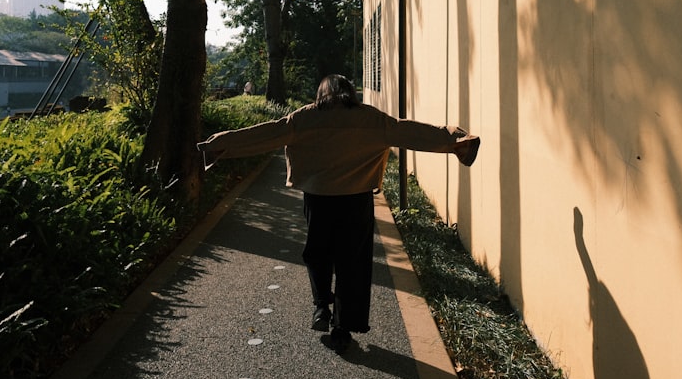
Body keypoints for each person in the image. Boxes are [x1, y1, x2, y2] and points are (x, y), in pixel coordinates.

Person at [197, 74, 479, 353]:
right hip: (356, 201)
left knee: (317, 253)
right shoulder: (371, 119)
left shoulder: (304, 118)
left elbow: (265, 133)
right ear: (350, 93)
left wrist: (219, 144)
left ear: (321, 93)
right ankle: (342, 328)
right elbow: (412, 132)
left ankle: (321, 306)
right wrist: (457, 139)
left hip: (318, 199)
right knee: (351, 263)